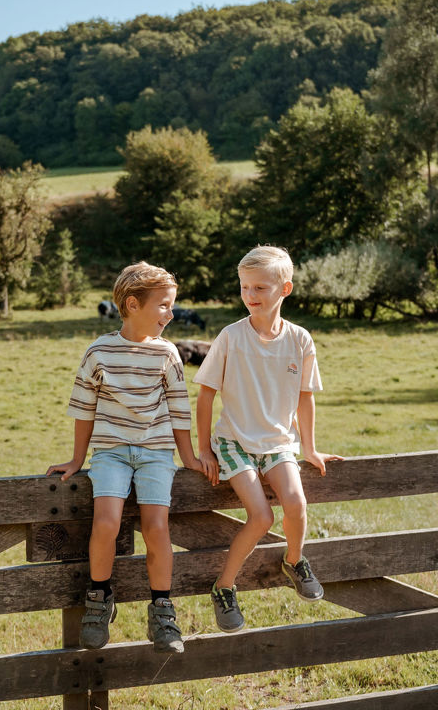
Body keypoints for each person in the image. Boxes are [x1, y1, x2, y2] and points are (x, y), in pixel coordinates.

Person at [47, 262, 206, 653]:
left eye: (172, 306)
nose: (170, 314)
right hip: (112, 452)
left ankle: (162, 611)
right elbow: (84, 407)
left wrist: (188, 457)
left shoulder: (168, 354)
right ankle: (100, 599)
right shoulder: (99, 351)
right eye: (164, 306)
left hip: (155, 454)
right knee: (106, 522)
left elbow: (178, 410)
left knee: (156, 527)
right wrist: (75, 458)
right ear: (133, 305)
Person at [194, 245, 343, 632]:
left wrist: (308, 447)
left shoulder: (300, 340)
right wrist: (204, 448)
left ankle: (294, 561)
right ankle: (223, 587)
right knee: (261, 516)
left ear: (285, 289)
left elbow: (305, 397)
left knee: (296, 502)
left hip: (278, 443)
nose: (250, 295)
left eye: (260, 287)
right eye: (244, 287)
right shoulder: (230, 337)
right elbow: (206, 393)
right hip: (234, 442)